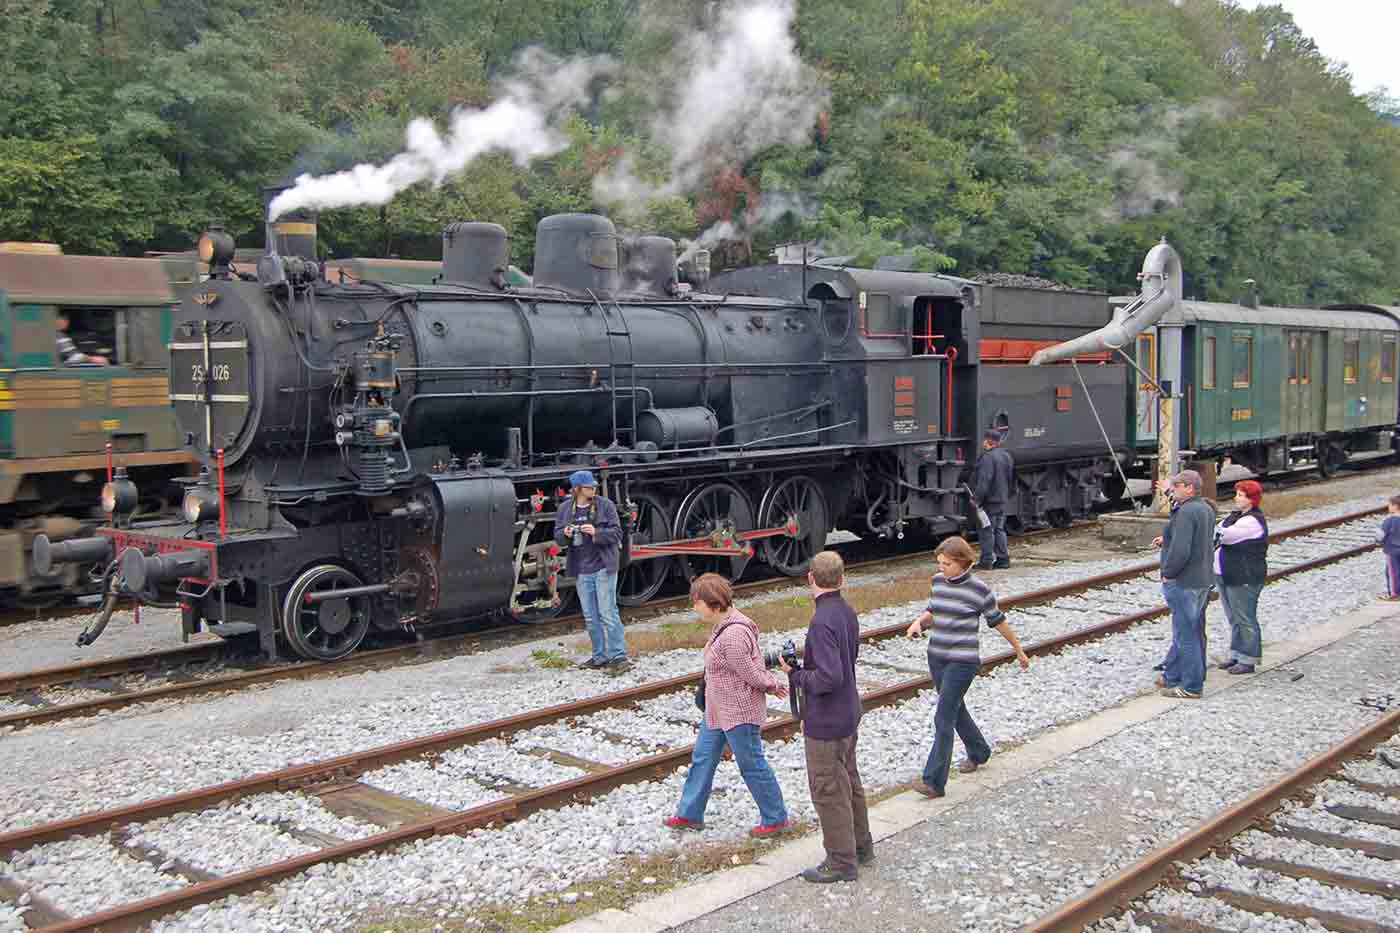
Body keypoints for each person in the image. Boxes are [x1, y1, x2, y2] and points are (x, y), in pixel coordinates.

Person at [665, 573, 792, 837]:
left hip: (738, 712)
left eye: (696, 602)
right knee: (702, 758)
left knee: (752, 764)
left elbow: (750, 672)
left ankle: (776, 818)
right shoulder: (724, 626)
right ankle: (689, 814)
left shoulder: (733, 634)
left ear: (712, 602)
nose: (693, 608)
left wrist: (773, 685)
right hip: (717, 711)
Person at [905, 536, 1029, 800]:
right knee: (955, 709)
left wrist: (1018, 650)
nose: (942, 568)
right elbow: (934, 610)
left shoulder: (979, 590)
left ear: (965, 563)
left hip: (963, 662)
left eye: (947, 564)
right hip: (937, 657)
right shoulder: (938, 582)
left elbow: (998, 621)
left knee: (943, 717)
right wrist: (919, 623)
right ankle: (979, 751)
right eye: (939, 563)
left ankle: (934, 781)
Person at [777, 550, 873, 883]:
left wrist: (797, 674)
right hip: (848, 711)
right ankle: (861, 848)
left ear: (810, 579)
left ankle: (841, 861)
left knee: (828, 790)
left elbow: (830, 677)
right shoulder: (846, 611)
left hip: (827, 721)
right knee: (850, 782)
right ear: (842, 579)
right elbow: (847, 663)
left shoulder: (821, 621)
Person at [554, 470, 629, 671]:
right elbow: (558, 537)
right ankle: (599, 656)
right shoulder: (565, 509)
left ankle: (619, 656)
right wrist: (567, 533)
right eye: (589, 487)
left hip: (604, 566)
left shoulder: (605, 506)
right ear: (577, 489)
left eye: (594, 486)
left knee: (607, 612)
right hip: (581, 569)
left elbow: (617, 533)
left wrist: (596, 532)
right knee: (590, 616)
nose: (593, 489)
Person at [1152, 470, 1215, 699]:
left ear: (1189, 488)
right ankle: (1174, 676)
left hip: (1184, 581)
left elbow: (1182, 550)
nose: (1173, 489)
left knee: (1186, 635)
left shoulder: (1187, 512)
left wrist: (1168, 573)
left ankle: (1191, 686)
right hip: (1201, 580)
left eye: (1177, 486)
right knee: (1187, 631)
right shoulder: (1204, 508)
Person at [1214, 480, 1268, 674]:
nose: (1236, 498)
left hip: (1244, 576)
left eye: (1240, 495)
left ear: (1251, 499)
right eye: (1237, 494)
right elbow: (1219, 528)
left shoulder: (1252, 521)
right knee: (1234, 617)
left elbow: (1225, 535)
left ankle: (1249, 658)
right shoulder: (1235, 516)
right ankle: (1237, 654)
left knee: (1245, 617)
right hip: (1227, 575)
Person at [972, 429, 1014, 570]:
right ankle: (1003, 559)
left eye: (984, 439)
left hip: (989, 501)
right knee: (999, 529)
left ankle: (986, 561)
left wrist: (976, 499)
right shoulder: (1006, 456)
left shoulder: (987, 458)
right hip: (1001, 499)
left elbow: (984, 481)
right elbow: (1010, 479)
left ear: (988, 441)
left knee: (986, 529)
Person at [1378, 495, 1400, 601]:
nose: (1388, 507)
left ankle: (1394, 594)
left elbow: (1380, 536)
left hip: (1392, 551)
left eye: (1390, 505)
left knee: (1392, 572)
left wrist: (1379, 542)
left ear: (1395, 506)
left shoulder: (1389, 521)